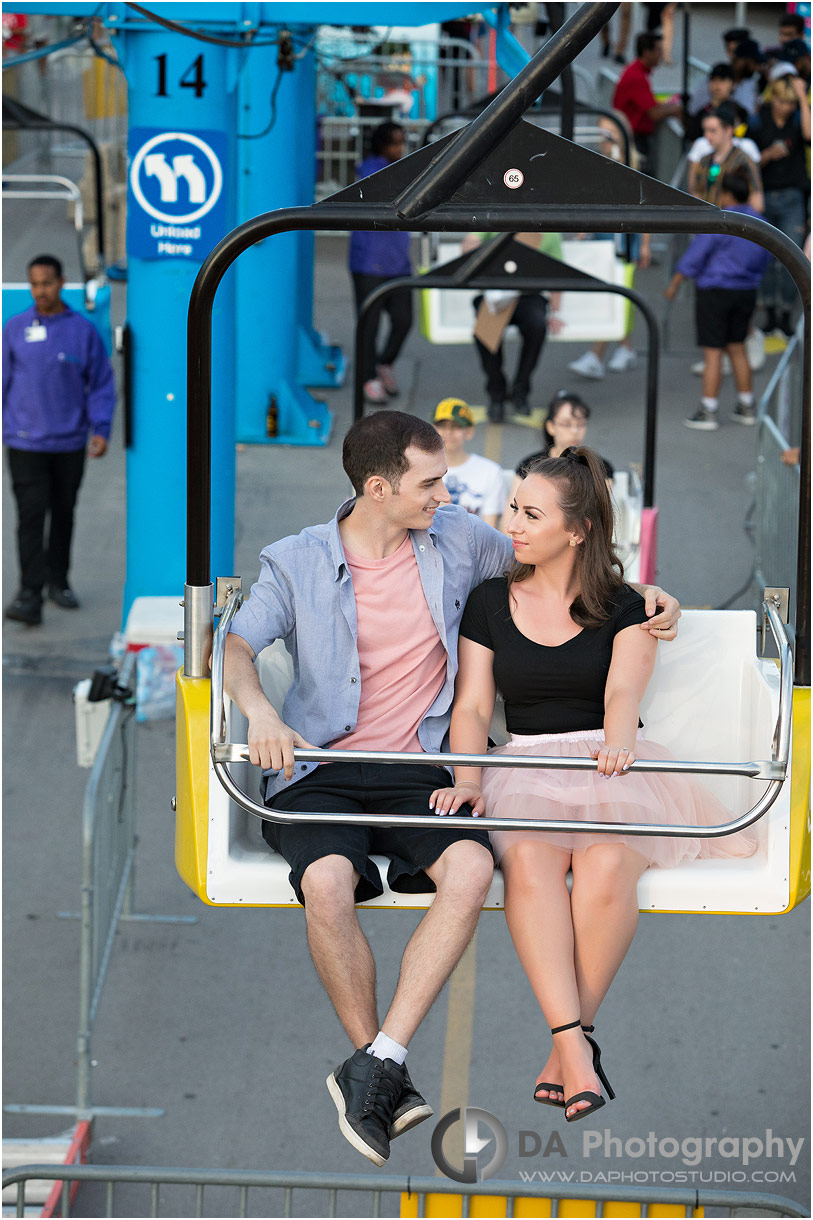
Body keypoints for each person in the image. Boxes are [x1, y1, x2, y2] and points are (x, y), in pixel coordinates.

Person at [222, 411, 681, 1165]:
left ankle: (379, 1064)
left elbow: (566, 564)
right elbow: (238, 645)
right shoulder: (295, 561)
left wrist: (649, 596)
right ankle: (379, 1061)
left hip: (415, 772)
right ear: (378, 488)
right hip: (323, 771)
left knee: (470, 867)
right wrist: (260, 710)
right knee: (329, 885)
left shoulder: (461, 541)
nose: (449, 495)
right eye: (430, 483)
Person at [431, 447, 755, 1122]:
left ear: (576, 530)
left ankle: (568, 1044)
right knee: (531, 863)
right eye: (513, 508)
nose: (511, 523)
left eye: (529, 513)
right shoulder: (491, 601)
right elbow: (470, 705)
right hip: (525, 761)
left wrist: (616, 743)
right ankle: (575, 1045)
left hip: (608, 763)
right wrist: (467, 776)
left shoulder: (626, 605)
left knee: (607, 863)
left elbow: (620, 694)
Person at [3, 254, 116, 626]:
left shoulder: (81, 331)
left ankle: (58, 581)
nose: (40, 291)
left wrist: (100, 429)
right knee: (31, 516)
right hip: (25, 443)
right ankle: (29, 592)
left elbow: (100, 383)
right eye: (34, 284)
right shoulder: (15, 329)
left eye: (47, 283)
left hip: (69, 443)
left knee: (64, 513)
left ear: (61, 283)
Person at [665, 172, 771, 431]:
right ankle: (747, 405)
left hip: (714, 291)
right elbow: (768, 256)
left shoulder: (723, 221)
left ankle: (709, 410)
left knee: (712, 353)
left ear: (726, 194)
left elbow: (695, 256)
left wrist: (675, 284)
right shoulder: (760, 223)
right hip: (746, 291)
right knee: (738, 347)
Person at [461, 231, 565, 421]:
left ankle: (521, 389)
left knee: (537, 327)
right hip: (496, 294)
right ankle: (496, 393)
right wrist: (472, 243)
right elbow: (469, 244)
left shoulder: (549, 233)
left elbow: (556, 272)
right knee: (484, 334)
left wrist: (556, 313)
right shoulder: (495, 220)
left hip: (528, 295)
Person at [349, 122, 413, 405]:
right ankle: (368, 377)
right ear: (380, 145)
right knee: (369, 325)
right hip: (369, 262)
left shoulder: (406, 167)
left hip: (398, 262)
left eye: (402, 142)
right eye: (394, 143)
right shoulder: (368, 170)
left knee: (403, 320)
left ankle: (384, 364)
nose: (399, 149)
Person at [747, 73, 811, 338]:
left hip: (793, 198)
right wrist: (767, 156)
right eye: (782, 101)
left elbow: (810, 135)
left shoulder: (798, 121)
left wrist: (802, 97)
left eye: (790, 103)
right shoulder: (758, 122)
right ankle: (770, 313)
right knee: (765, 256)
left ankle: (785, 313)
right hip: (766, 195)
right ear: (773, 99)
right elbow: (748, 163)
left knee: (789, 257)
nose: (786, 107)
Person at [500, 391, 613, 532]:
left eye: (581, 424)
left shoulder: (599, 468)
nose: (574, 431)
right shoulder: (530, 465)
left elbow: (597, 515)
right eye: (566, 424)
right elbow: (510, 515)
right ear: (551, 427)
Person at [611, 32, 682, 173]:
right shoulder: (637, 76)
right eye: (658, 50)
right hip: (634, 139)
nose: (661, 55)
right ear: (647, 52)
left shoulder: (637, 71)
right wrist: (676, 110)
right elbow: (654, 113)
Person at [432, 397, 506, 528]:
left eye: (456, 427)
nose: (448, 432)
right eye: (442, 426)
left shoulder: (490, 471)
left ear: (469, 431)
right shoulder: (421, 469)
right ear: (432, 429)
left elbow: (490, 527)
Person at [687, 104, 763, 208]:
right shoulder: (704, 160)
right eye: (705, 130)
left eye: (713, 131)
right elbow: (695, 194)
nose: (707, 136)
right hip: (708, 221)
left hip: (733, 222)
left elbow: (757, 202)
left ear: (729, 130)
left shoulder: (744, 160)